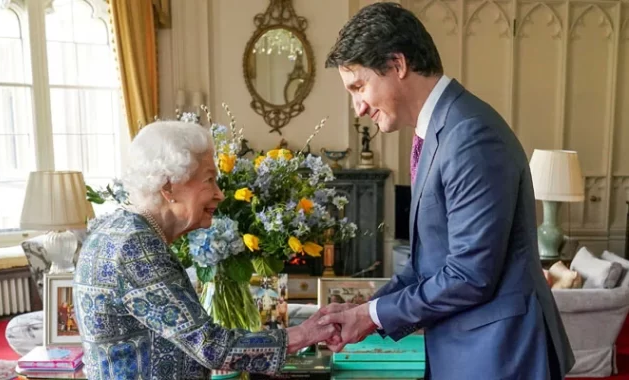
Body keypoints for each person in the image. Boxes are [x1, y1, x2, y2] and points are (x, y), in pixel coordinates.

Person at [318, 3, 575, 379]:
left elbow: (470, 275)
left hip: (501, 356)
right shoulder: (439, 130)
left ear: (398, 65)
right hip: (470, 352)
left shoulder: (471, 135)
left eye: (359, 86)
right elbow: (427, 266)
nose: (358, 107)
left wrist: (370, 316)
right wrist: (364, 311)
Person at [73, 121, 339, 380]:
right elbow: (209, 345)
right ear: (168, 187)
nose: (220, 194)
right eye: (210, 180)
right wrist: (304, 334)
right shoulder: (136, 247)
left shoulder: (117, 230)